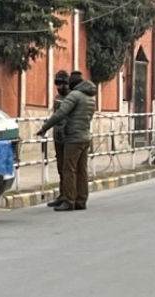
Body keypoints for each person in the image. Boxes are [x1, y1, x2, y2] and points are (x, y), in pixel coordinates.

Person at [36, 71, 97, 212]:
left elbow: (60, 113)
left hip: (73, 138)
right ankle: (81, 200)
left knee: (68, 169)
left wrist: (44, 127)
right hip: (84, 137)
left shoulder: (74, 96)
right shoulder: (89, 97)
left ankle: (69, 201)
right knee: (82, 171)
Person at [46, 70, 70, 208]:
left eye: (62, 84)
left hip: (68, 136)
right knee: (61, 167)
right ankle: (62, 194)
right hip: (58, 137)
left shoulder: (72, 98)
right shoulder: (57, 98)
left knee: (68, 169)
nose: (59, 87)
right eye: (57, 83)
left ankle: (69, 195)